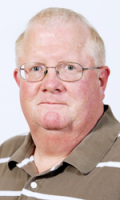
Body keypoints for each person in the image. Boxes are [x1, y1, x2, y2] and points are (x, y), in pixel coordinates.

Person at [0, 7, 120, 200]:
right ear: (20, 81)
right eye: (36, 68)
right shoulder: (3, 156)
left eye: (70, 67)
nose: (50, 84)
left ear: (101, 81)